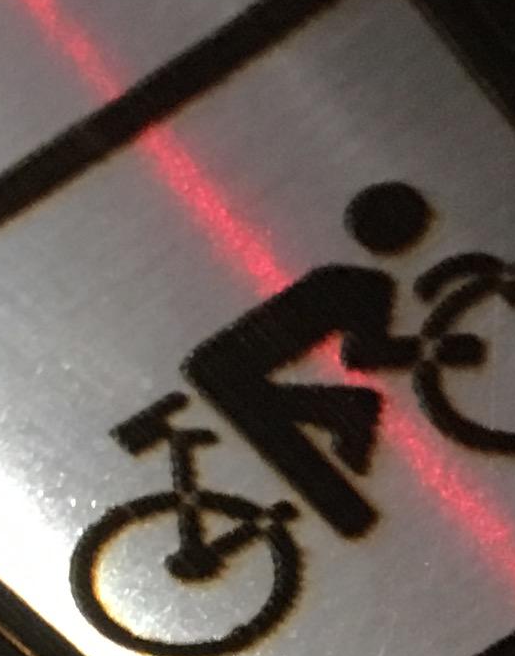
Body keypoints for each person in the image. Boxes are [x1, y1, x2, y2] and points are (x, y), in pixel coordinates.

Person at [180, 181, 441, 539]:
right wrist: (434, 349)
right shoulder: (369, 285)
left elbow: (361, 355)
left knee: (219, 381)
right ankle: (341, 416)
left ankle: (342, 421)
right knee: (222, 383)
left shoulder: (346, 279)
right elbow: (365, 354)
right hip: (241, 358)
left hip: (235, 360)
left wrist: (437, 349)